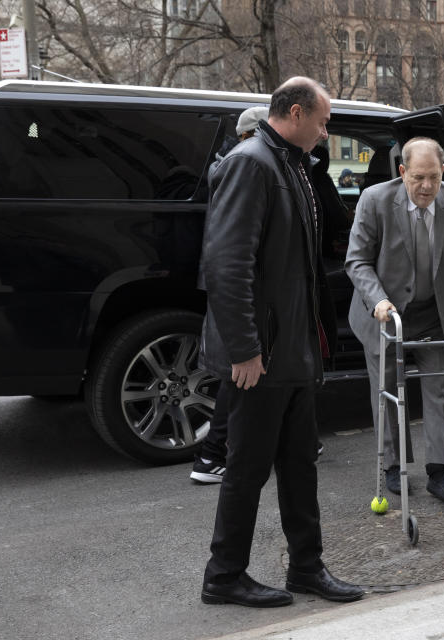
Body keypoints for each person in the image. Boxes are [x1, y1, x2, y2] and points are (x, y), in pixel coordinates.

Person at [198, 77, 363, 607]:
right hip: (264, 355)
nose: (326, 130)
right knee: (247, 468)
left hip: (292, 350)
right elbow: (227, 263)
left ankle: (306, 568)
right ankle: (224, 577)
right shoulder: (253, 163)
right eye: (322, 120)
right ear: (295, 112)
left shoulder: (290, 163)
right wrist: (245, 348)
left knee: (299, 465)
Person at [345, 137, 444, 503]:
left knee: (440, 389)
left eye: (433, 177)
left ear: (443, 171)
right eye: (418, 177)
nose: (427, 186)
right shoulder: (376, 200)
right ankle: (392, 466)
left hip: (434, 312)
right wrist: (379, 300)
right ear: (402, 172)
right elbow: (357, 260)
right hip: (384, 312)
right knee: (385, 390)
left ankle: (439, 471)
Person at [190, 106, 269, 485]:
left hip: (220, 284)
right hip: (232, 287)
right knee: (239, 373)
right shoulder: (244, 167)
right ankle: (213, 454)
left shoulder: (227, 164)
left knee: (236, 374)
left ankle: (220, 451)